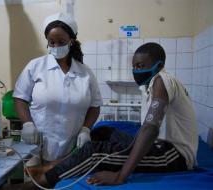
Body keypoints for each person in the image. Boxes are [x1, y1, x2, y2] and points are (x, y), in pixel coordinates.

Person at [25, 42, 198, 188]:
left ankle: (42, 182)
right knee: (103, 131)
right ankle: (60, 162)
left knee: (94, 152)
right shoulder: (152, 84)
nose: (136, 70)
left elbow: (150, 128)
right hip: (158, 146)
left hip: (173, 156)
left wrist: (120, 175)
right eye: (134, 66)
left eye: (141, 66)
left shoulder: (162, 79)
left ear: (159, 66)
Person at [13, 13, 102, 164]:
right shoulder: (35, 66)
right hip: (36, 143)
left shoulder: (85, 72)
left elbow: (95, 105)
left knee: (63, 184)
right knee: (34, 182)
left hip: (72, 146)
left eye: (61, 42)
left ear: (71, 41)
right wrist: (27, 123)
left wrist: (86, 129)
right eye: (51, 42)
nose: (55, 46)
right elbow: (20, 97)